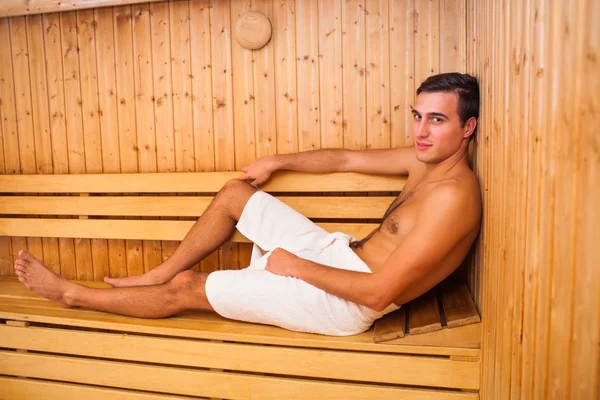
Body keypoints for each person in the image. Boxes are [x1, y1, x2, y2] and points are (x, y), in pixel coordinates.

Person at [13, 72, 481, 336]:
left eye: (437, 120)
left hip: (345, 303)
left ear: (467, 127)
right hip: (340, 255)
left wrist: (294, 266)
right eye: (418, 116)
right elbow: (344, 156)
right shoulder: (426, 160)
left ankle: (74, 295)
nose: (420, 131)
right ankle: (156, 272)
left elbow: (379, 294)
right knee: (237, 193)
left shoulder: (453, 198)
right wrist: (276, 160)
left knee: (188, 287)